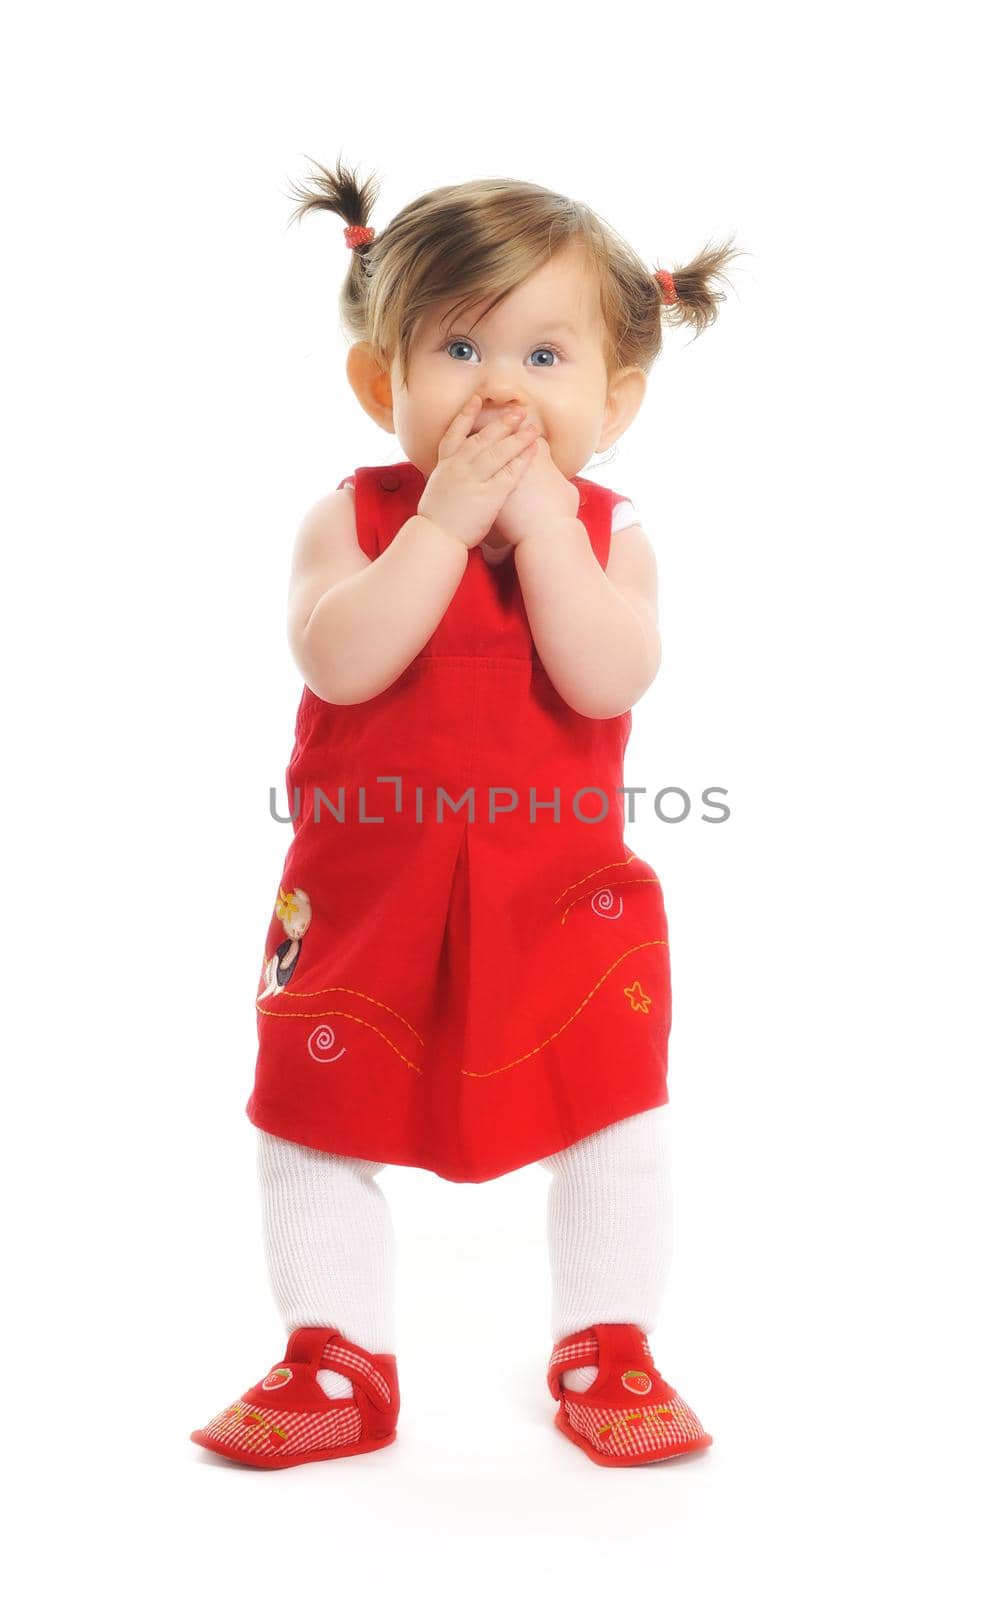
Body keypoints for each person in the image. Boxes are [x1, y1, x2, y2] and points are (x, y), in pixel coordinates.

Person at [190, 159, 740, 1469]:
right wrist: (443, 525)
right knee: (312, 1128)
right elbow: (344, 660)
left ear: (613, 401)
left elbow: (608, 673)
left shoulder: (611, 536)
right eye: (457, 346)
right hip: (373, 907)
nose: (499, 385)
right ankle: (335, 1353)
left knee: (615, 1119)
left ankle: (608, 1342)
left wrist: (542, 529)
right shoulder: (355, 522)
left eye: (544, 354)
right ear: (383, 383)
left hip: (560, 908)